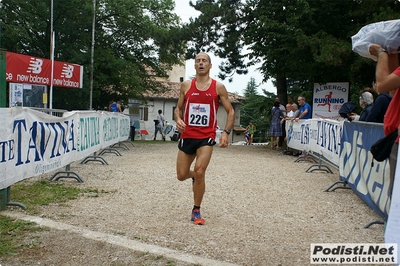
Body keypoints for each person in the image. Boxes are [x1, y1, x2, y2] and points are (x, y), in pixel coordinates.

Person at [174, 52, 235, 225]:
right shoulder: (186, 86)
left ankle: (196, 210)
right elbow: (177, 109)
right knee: (181, 175)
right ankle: (193, 176)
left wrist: (225, 132)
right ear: (194, 66)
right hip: (187, 136)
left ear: (209, 66)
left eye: (204, 61)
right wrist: (178, 120)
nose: (201, 63)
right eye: (198, 61)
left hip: (206, 137)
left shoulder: (218, 87)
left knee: (200, 171)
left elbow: (230, 111)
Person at [369, 44, 400, 199]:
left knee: (396, 194)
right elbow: (394, 90)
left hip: (398, 139)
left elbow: (382, 86)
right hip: (395, 138)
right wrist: (393, 54)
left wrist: (381, 54)